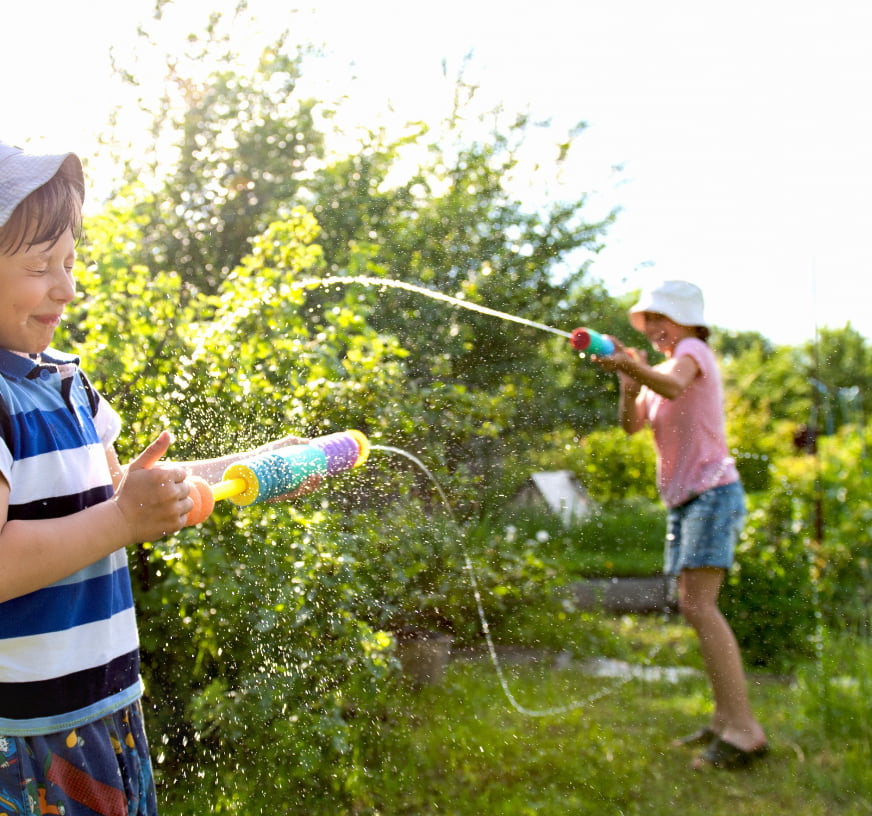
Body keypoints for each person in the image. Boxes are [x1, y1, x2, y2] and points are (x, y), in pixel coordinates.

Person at [0, 142, 317, 814]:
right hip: (27, 736)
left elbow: (127, 493)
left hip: (106, 705)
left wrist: (250, 466)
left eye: (70, 261)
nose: (65, 286)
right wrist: (122, 521)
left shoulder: (67, 382)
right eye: (39, 267)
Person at [592, 279, 768, 771]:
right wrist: (629, 385)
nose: (653, 328)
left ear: (689, 322)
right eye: (648, 321)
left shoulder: (693, 353)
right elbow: (632, 424)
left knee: (700, 607)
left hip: (713, 494)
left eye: (660, 318)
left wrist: (633, 365)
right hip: (687, 502)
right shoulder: (661, 368)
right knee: (695, 607)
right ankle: (723, 720)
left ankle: (746, 730)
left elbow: (671, 385)